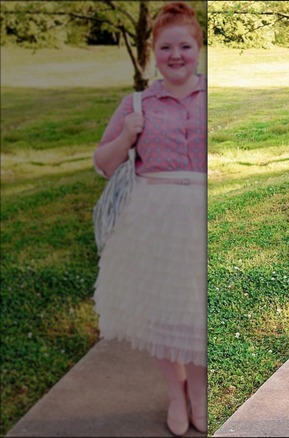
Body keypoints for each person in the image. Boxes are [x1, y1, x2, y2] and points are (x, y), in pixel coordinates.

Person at [92, 2, 207, 436]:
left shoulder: (209, 97)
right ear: (152, 52)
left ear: (197, 48)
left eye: (184, 46)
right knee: (163, 312)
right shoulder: (138, 102)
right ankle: (176, 392)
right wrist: (127, 135)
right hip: (154, 218)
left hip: (198, 215)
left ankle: (198, 392)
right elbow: (104, 164)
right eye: (165, 47)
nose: (175, 55)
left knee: (195, 313)